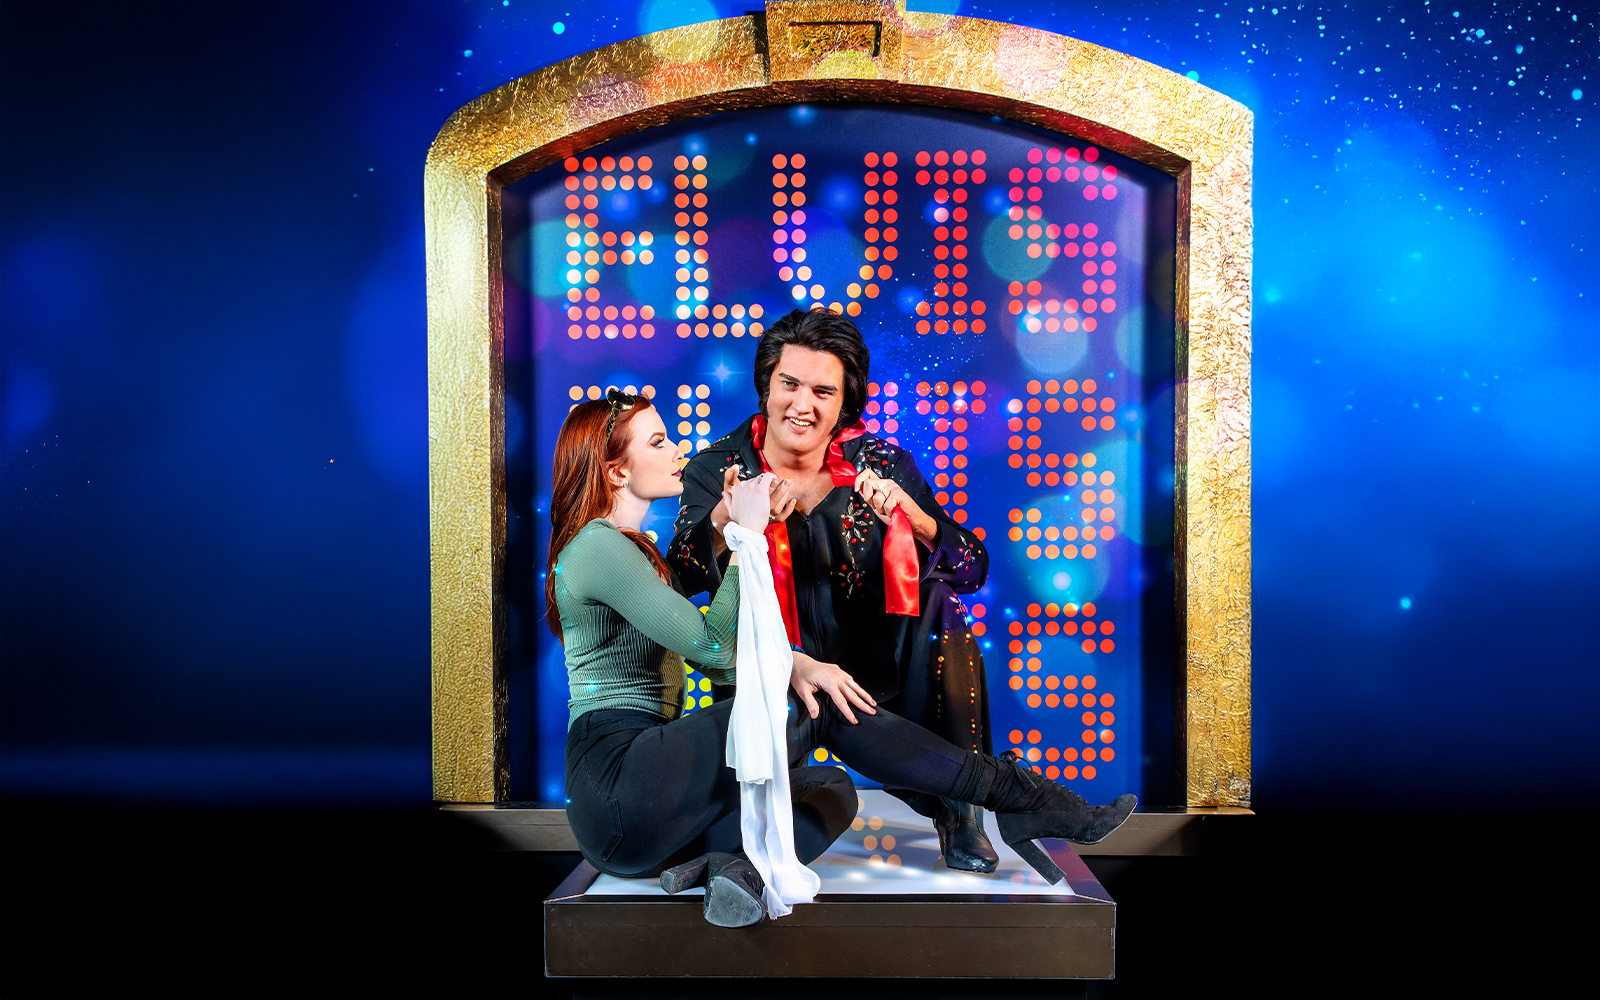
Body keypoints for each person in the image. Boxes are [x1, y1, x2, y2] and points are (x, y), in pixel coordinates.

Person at [551, 388, 1137, 928]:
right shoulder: (596, 546)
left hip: (659, 820)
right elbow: (712, 644)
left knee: (833, 789)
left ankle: (729, 870)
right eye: (658, 442)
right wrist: (748, 536)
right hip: (620, 783)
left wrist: (799, 662)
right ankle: (1020, 795)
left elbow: (706, 656)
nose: (676, 450)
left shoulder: (634, 550)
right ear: (616, 470)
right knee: (817, 706)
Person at [667, 308, 1000, 872]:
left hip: (872, 671)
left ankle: (960, 810)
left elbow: (972, 570)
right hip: (770, 667)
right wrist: (729, 519)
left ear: (844, 404)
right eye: (789, 384)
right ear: (766, 385)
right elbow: (679, 576)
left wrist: (917, 519)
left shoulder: (882, 463)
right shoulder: (717, 468)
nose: (802, 405)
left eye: (822, 391)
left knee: (940, 600)